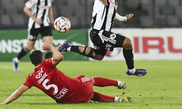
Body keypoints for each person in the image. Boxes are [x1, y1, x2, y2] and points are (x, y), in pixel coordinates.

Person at [58, 0, 147, 77]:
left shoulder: (113, 0)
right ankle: (131, 70)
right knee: (127, 43)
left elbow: (113, 15)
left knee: (98, 56)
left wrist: (124, 18)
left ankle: (68, 47)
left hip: (99, 33)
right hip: (100, 32)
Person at [0, 42, 131, 105]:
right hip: (80, 91)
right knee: (84, 79)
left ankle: (117, 99)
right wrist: (51, 46)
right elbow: (59, 57)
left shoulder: (32, 78)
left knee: (83, 88)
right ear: (42, 59)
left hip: (69, 101)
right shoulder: (46, 65)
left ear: (32, 63)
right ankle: (118, 83)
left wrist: (4, 103)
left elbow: (18, 92)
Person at [13, 0, 54, 72]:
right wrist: (35, 19)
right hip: (34, 25)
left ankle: (47, 70)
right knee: (30, 46)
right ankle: (16, 59)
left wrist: (52, 20)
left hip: (45, 24)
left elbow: (49, 9)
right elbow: (26, 9)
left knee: (49, 45)